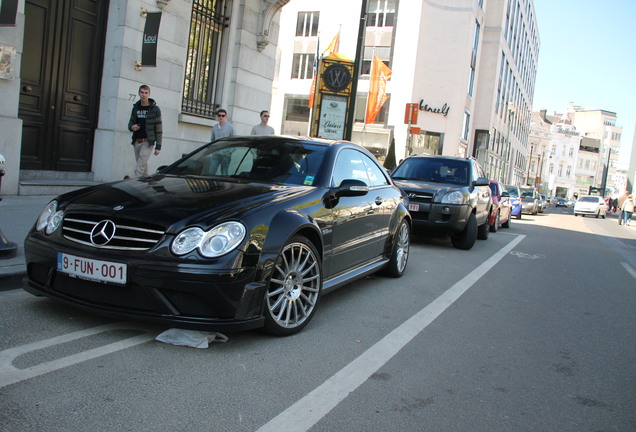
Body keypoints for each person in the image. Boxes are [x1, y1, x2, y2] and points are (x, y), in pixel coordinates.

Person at [128, 84, 162, 177]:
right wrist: (132, 127)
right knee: (143, 166)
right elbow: (130, 124)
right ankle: (146, 185)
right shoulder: (135, 107)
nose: (144, 95)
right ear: (139, 93)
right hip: (136, 141)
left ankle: (134, 186)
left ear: (149, 94)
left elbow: (159, 128)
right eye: (142, 92)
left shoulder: (155, 109)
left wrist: (158, 146)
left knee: (139, 167)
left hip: (148, 142)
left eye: (146, 93)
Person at [207, 109, 236, 175]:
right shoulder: (214, 127)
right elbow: (212, 140)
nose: (221, 117)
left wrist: (229, 152)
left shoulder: (230, 127)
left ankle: (224, 185)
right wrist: (213, 150)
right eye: (219, 115)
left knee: (224, 172)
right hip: (216, 154)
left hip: (226, 154)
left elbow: (235, 141)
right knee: (211, 171)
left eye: (223, 115)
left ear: (226, 116)